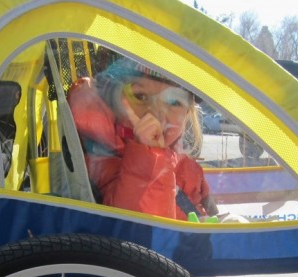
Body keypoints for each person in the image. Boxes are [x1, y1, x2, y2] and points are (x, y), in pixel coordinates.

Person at [68, 56, 217, 220]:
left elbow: (207, 216)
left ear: (187, 113)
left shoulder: (189, 169)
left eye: (174, 102)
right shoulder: (103, 164)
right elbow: (139, 230)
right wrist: (151, 155)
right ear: (116, 103)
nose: (157, 113)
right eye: (140, 97)